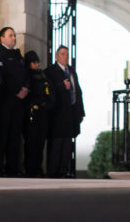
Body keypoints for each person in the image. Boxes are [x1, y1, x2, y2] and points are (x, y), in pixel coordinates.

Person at [0, 27, 29, 177]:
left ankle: (12, 169)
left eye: (14, 35)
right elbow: (2, 77)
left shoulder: (18, 55)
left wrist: (26, 88)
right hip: (3, 101)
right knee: (1, 135)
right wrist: (17, 90)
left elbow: (25, 74)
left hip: (18, 102)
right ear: (2, 38)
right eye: (10, 35)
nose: (14, 38)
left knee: (15, 135)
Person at [45, 45, 84, 178]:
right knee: (57, 142)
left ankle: (64, 170)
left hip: (71, 112)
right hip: (57, 113)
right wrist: (62, 86)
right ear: (57, 56)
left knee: (67, 142)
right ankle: (54, 172)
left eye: (67, 54)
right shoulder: (50, 71)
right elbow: (49, 90)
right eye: (62, 54)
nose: (65, 57)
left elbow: (78, 91)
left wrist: (81, 111)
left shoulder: (71, 70)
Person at [23, 50, 55, 177]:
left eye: (37, 62)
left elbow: (50, 92)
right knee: (31, 143)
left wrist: (47, 104)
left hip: (43, 113)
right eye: (33, 63)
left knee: (40, 143)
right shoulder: (27, 76)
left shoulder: (43, 76)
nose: (36, 65)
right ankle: (30, 169)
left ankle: (38, 168)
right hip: (31, 113)